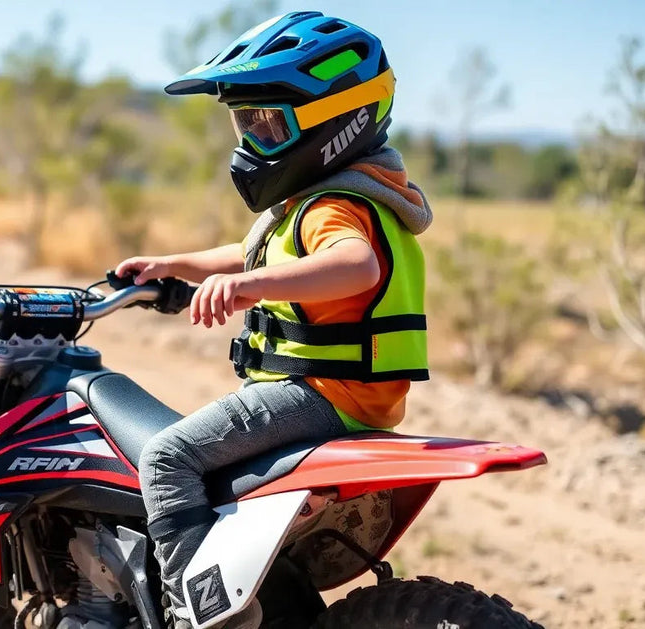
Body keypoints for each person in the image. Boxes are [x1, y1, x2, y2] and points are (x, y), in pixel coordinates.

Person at [115, 12, 433, 629]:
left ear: (336, 122)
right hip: (343, 394)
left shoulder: (335, 206)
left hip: (321, 395)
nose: (251, 139)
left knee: (166, 458)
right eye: (244, 123)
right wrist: (176, 264)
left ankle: (193, 610)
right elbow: (250, 250)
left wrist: (246, 288)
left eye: (268, 123)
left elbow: (355, 266)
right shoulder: (328, 198)